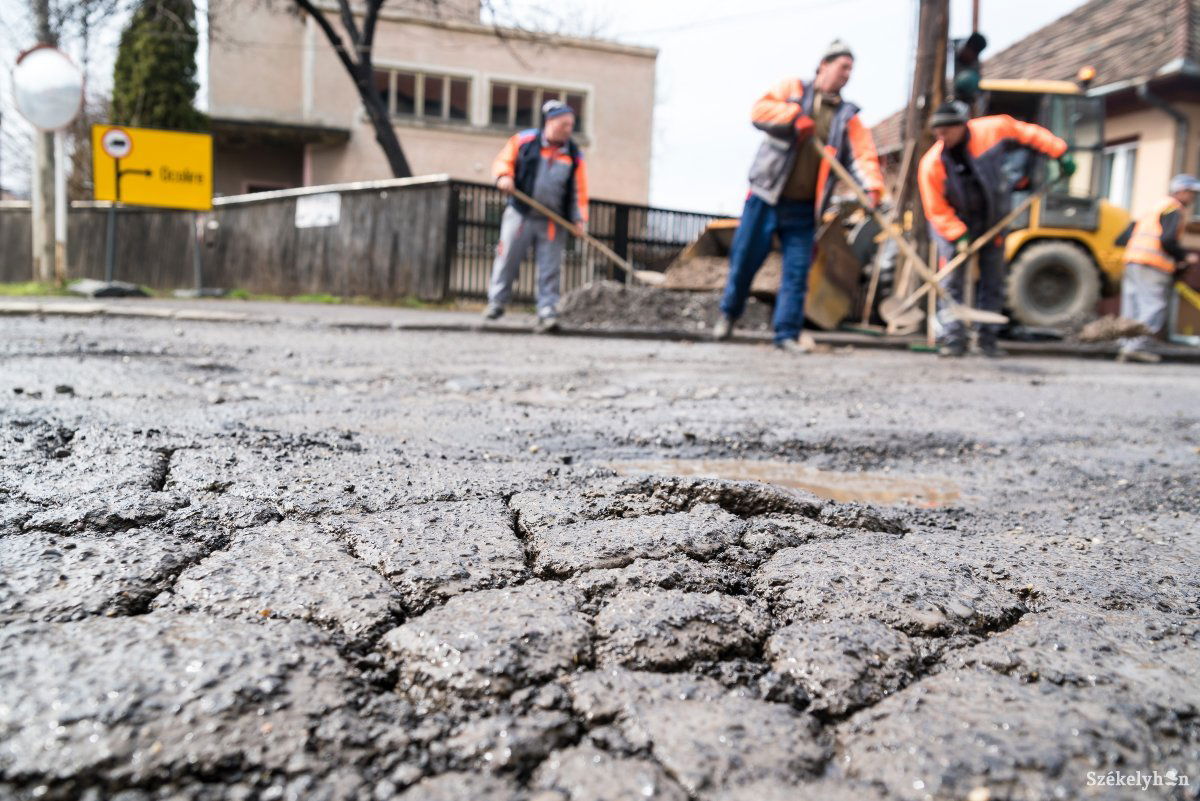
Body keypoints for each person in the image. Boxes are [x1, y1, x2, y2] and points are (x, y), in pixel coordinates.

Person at [713, 39, 884, 352]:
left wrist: (872, 189)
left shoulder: (847, 117)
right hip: (766, 196)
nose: (847, 74)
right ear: (824, 65)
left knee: (796, 273)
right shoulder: (793, 89)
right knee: (744, 261)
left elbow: (863, 157)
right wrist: (793, 118)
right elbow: (759, 111)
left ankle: (786, 334)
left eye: (851, 69)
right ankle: (728, 315)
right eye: (843, 66)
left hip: (805, 209)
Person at [918, 100, 1071, 357]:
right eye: (937, 133)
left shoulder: (993, 129)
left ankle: (987, 339)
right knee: (952, 281)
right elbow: (935, 208)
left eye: (946, 131)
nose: (941, 137)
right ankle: (955, 338)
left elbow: (1028, 133)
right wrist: (958, 235)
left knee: (993, 279)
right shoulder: (932, 163)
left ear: (961, 125)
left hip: (992, 219)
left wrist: (1059, 152)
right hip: (954, 224)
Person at [485, 99, 589, 332]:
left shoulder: (573, 155)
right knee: (507, 256)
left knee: (550, 266)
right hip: (520, 212)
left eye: (571, 125)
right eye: (564, 124)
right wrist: (504, 176)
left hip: (553, 219)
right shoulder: (525, 141)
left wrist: (579, 219)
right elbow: (503, 161)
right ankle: (497, 302)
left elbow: (579, 191)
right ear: (550, 122)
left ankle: (547, 310)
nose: (568, 129)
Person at [1116, 174, 1200, 363]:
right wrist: (1185, 256)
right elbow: (1167, 239)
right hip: (1152, 265)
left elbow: (1125, 235)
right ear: (1182, 191)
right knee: (1153, 306)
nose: (1193, 198)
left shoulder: (1155, 206)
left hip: (1132, 260)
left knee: (1132, 306)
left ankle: (1125, 344)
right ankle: (1134, 347)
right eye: (1192, 193)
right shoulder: (1174, 209)